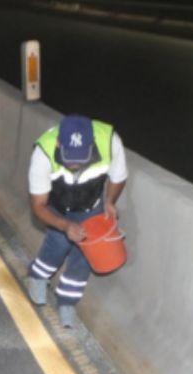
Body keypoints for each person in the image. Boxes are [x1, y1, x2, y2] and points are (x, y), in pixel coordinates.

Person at [26, 115, 128, 328]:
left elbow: (118, 177)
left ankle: (67, 302)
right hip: (57, 206)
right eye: (69, 157)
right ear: (58, 144)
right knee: (58, 244)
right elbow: (38, 206)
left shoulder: (109, 141)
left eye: (81, 158)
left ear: (91, 145)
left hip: (91, 206)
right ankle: (37, 276)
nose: (74, 164)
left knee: (85, 255)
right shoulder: (43, 152)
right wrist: (64, 226)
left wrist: (109, 201)